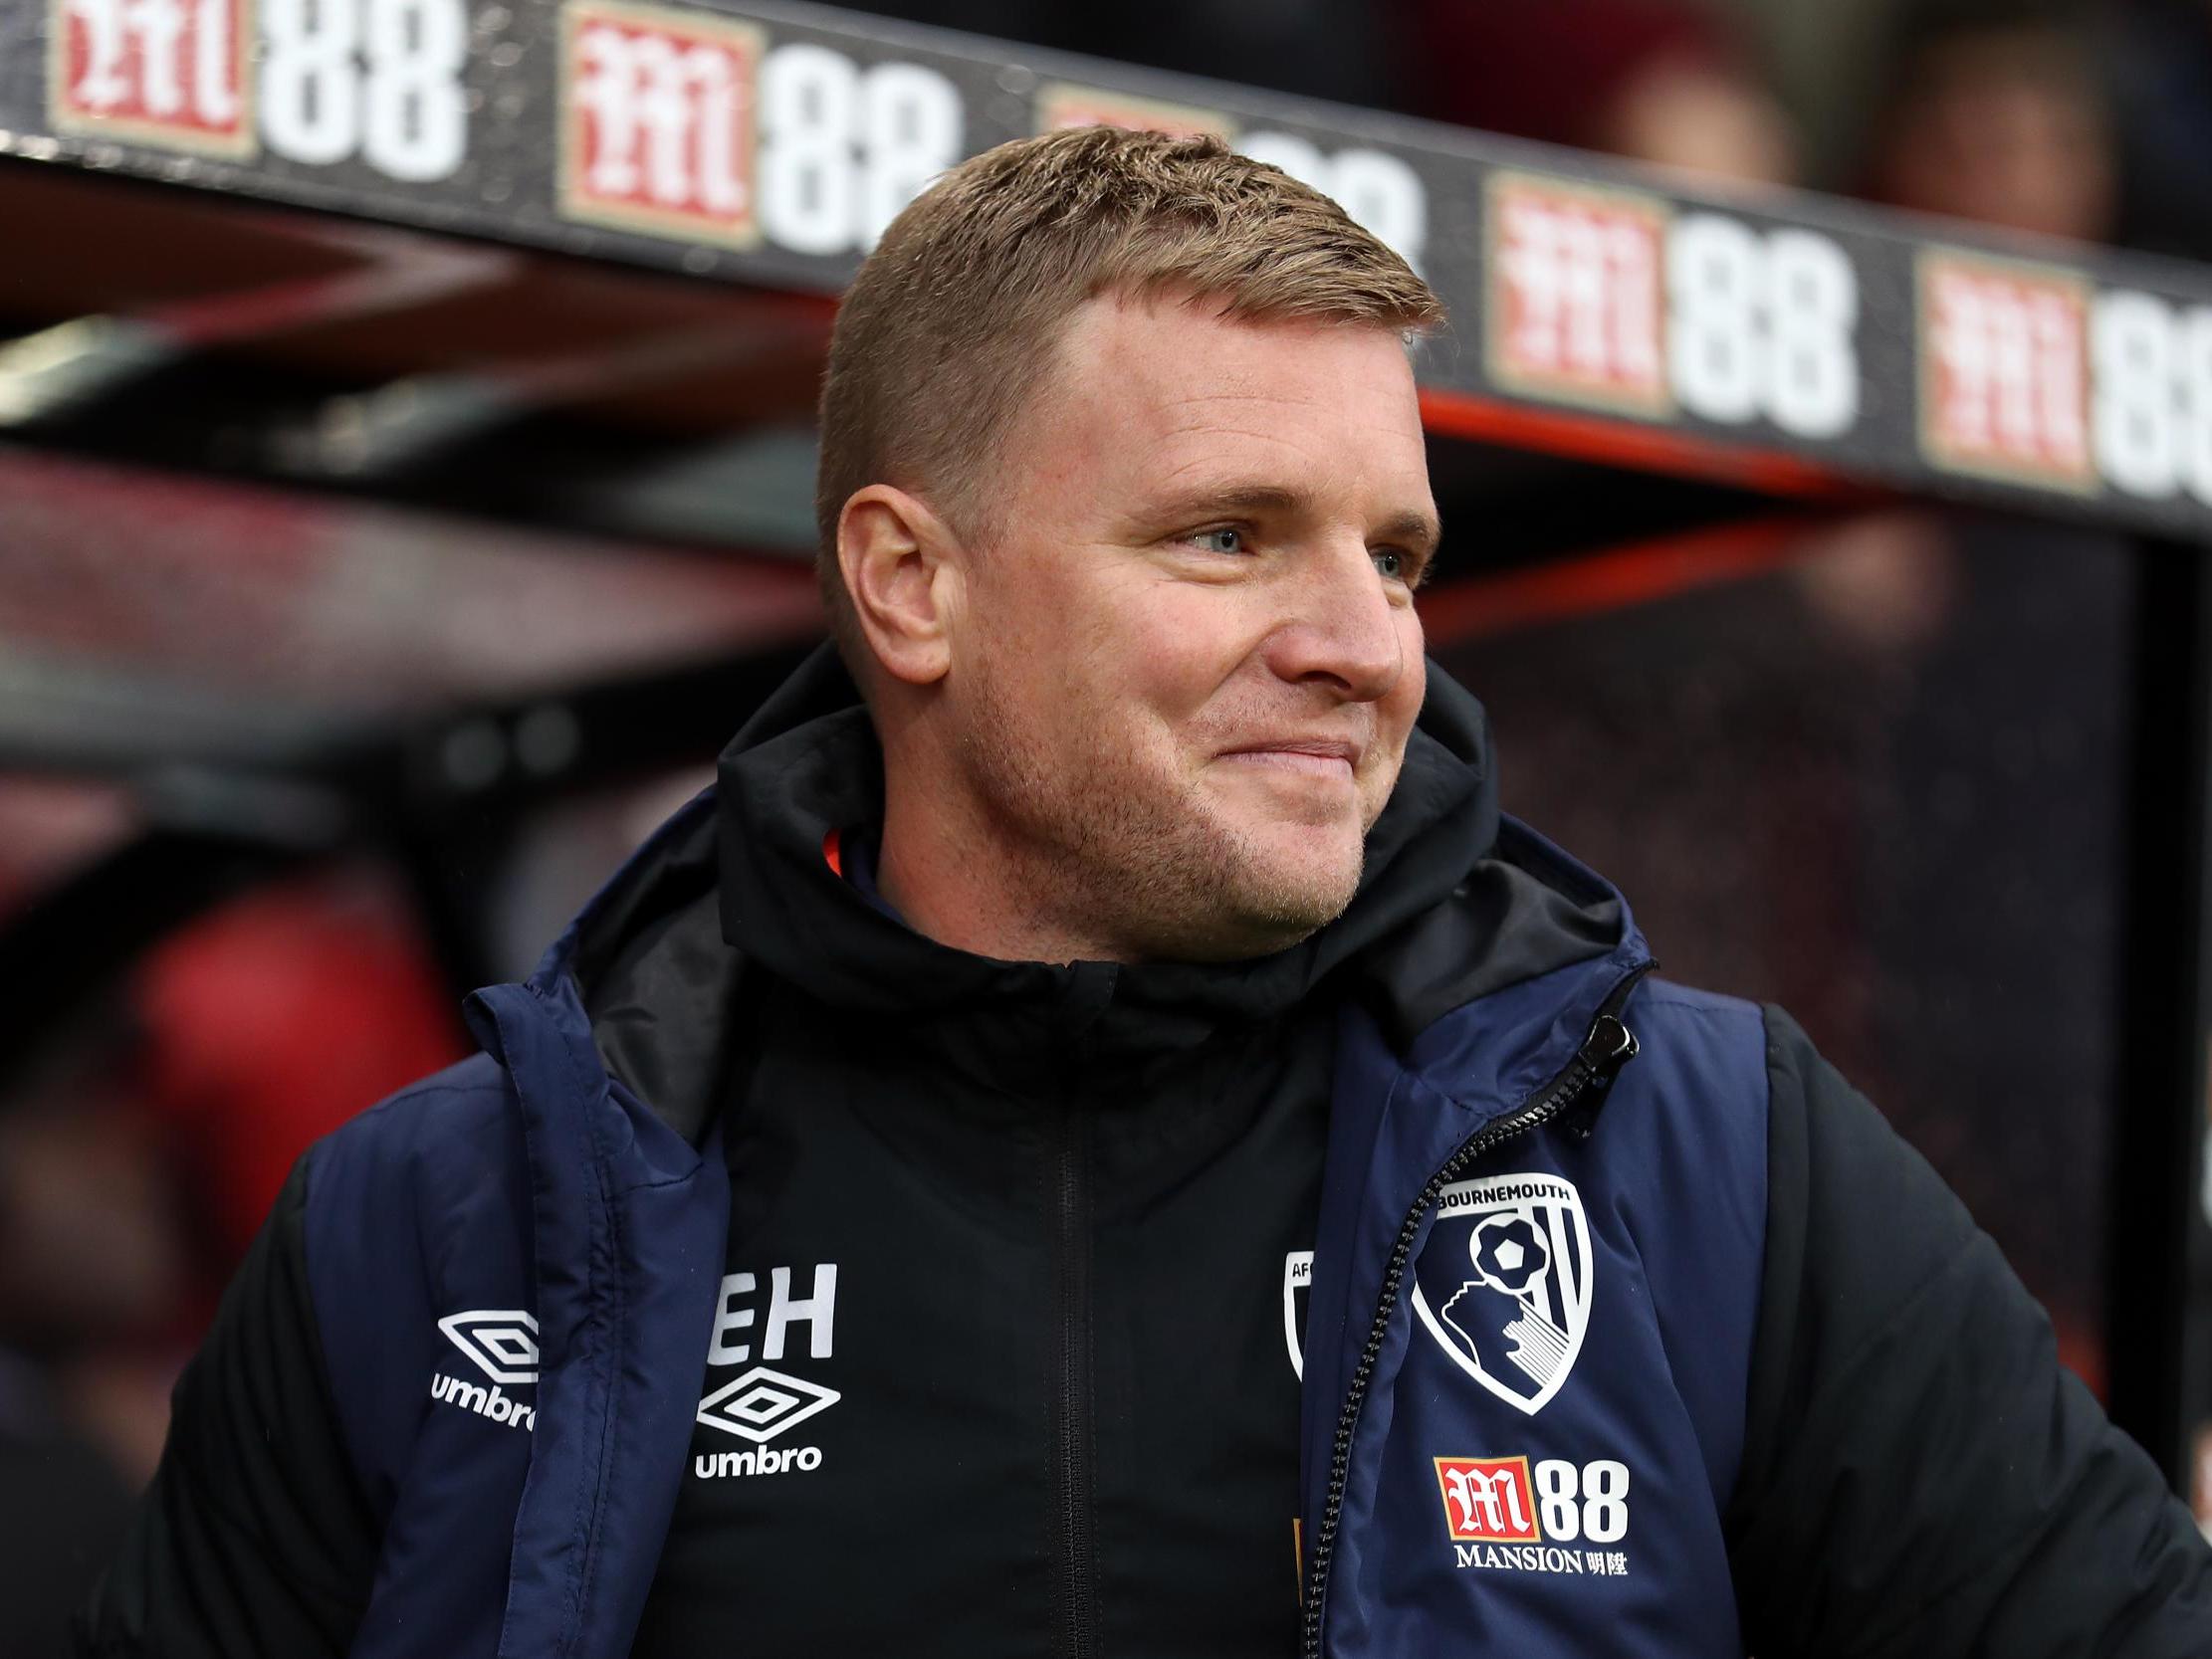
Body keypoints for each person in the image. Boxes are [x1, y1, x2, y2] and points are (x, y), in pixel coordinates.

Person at [78, 125, 2212, 1658]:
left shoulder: (1716, 1169)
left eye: (1392, 554)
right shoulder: (434, 1231)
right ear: (910, 583)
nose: (1365, 642)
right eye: (1228, 537)